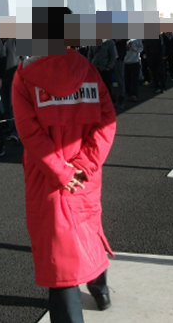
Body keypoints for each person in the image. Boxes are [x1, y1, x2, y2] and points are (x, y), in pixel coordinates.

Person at [12, 40, 116, 323]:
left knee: (59, 254)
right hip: (85, 176)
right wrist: (84, 165)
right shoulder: (89, 71)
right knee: (89, 231)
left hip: (48, 178)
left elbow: (29, 132)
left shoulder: (25, 76)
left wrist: (61, 171)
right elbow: (107, 120)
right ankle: (101, 291)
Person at [1, 37, 21, 141]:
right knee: (6, 106)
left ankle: (16, 131)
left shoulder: (18, 40)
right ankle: (9, 128)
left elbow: (26, 60)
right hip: (1, 80)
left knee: (14, 106)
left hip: (15, 79)